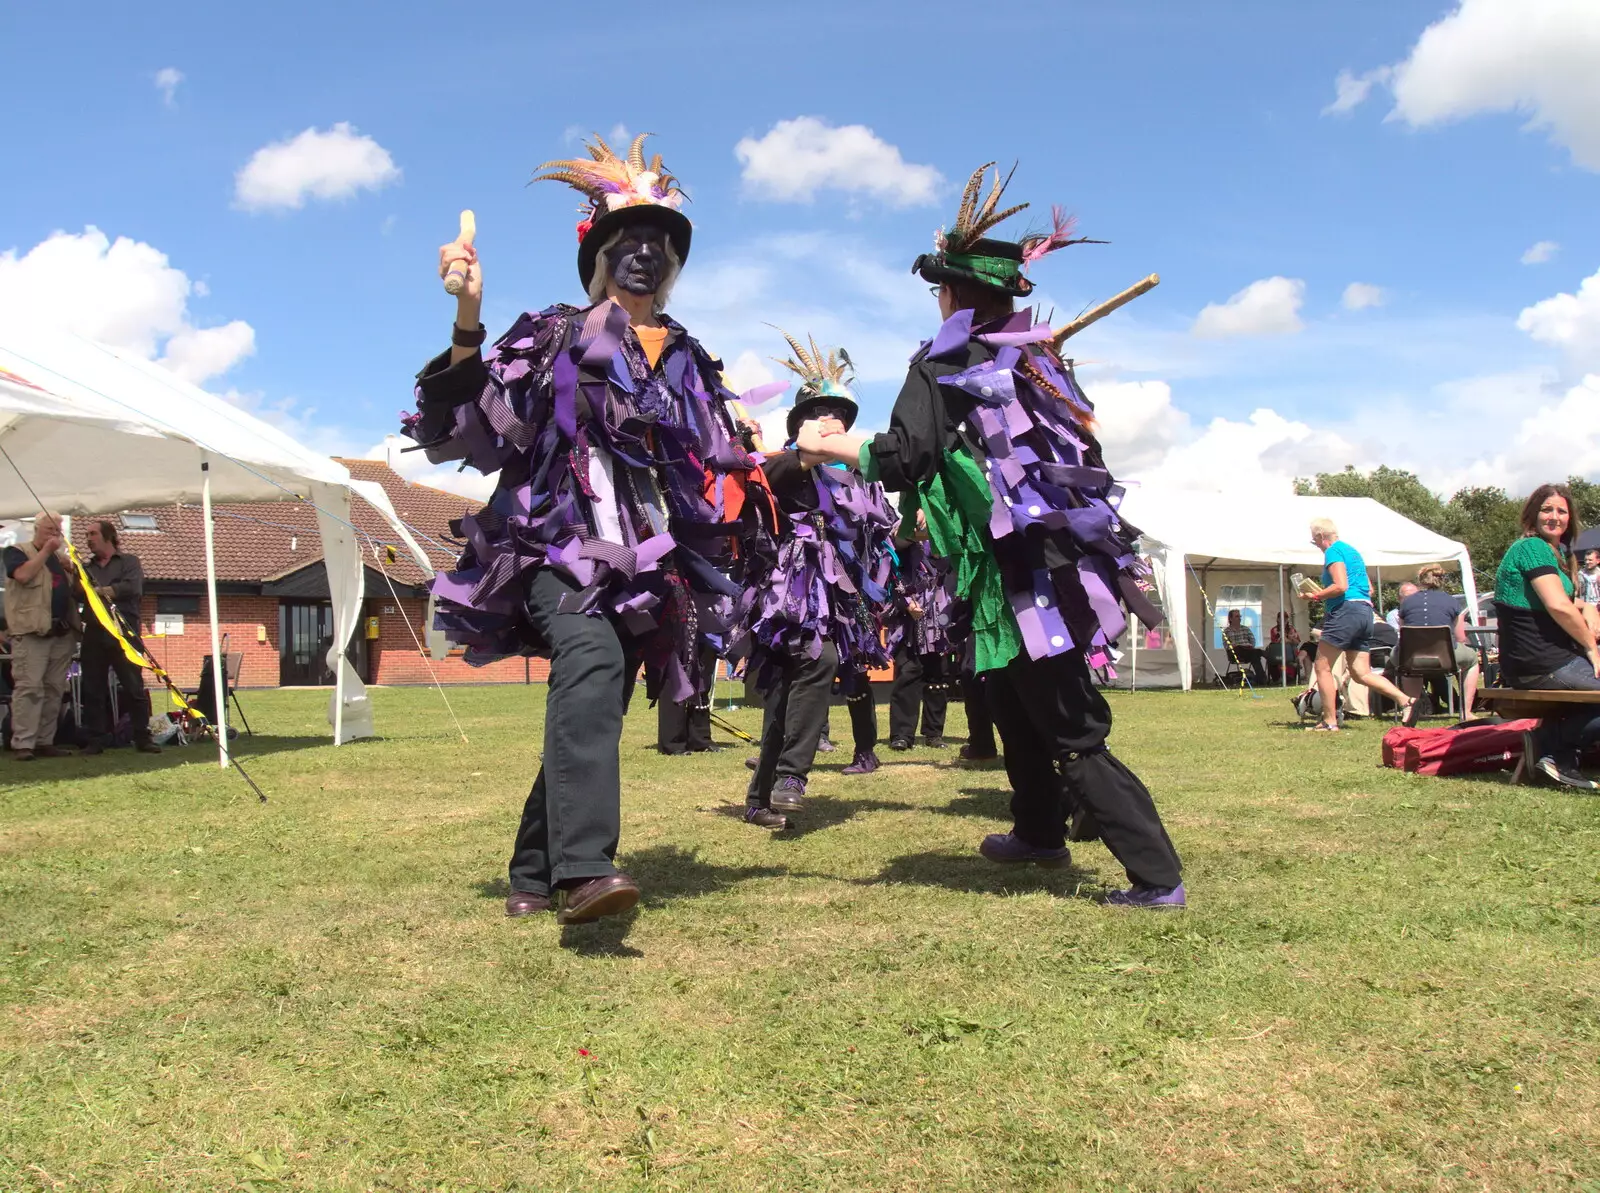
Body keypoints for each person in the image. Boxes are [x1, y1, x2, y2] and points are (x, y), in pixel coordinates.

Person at [402, 134, 778, 922]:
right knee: (590, 658)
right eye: (627, 240)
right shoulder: (556, 333)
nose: (645, 254)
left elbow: (712, 462)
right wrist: (467, 317)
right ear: (599, 254)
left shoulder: (690, 360)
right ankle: (584, 869)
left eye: (661, 244)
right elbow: (474, 425)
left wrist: (778, 462)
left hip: (641, 562)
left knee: (594, 695)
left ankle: (532, 872)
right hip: (553, 545)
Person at [800, 163, 1184, 908]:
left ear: (948, 293)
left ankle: (1156, 873)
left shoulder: (947, 357)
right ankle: (1038, 829)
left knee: (1069, 723)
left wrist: (827, 446)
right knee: (1012, 699)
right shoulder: (1036, 357)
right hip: (1037, 561)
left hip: (1027, 566)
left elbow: (905, 453)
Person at [736, 334, 895, 827]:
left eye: (839, 415)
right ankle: (791, 776)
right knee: (814, 660)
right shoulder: (783, 462)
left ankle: (760, 797)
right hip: (787, 591)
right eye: (820, 413)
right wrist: (803, 455)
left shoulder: (859, 477)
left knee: (788, 691)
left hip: (835, 598)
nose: (831, 422)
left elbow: (880, 532)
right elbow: (768, 481)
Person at [1492, 484, 1600, 789]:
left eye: (1561, 511)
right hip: (1541, 662)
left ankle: (1560, 756)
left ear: (1570, 518)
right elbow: (1557, 605)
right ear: (1532, 515)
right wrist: (1592, 647)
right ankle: (1550, 745)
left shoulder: (1555, 554)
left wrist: (1588, 606)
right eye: (1546, 509)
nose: (1554, 516)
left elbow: (1558, 598)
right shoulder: (1531, 548)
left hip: (1543, 661)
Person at [1298, 518, 1421, 732]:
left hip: (1346, 611)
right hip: (1366, 612)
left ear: (1321, 536)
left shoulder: (1333, 551)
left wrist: (1315, 595)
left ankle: (1329, 721)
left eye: (1314, 540)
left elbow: (1340, 586)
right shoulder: (1353, 552)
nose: (1316, 545)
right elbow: (1369, 590)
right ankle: (1406, 701)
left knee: (1322, 666)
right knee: (1360, 672)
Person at [2, 512, 82, 760]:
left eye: (57, 530)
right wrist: (46, 551)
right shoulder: (17, 551)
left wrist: (76, 570)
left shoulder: (61, 560)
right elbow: (23, 576)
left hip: (61, 632)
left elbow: (77, 592)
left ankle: (45, 741)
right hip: (31, 632)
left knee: (54, 688)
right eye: (49, 529)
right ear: (37, 529)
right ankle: (23, 743)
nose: (54, 535)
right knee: (29, 688)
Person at [79, 521, 161, 756]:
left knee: (133, 685)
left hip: (124, 632)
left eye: (93, 534)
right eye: (87, 535)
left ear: (109, 537)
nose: (88, 538)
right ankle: (96, 739)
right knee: (93, 687)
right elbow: (78, 594)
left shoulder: (129, 562)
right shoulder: (86, 568)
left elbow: (132, 588)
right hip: (95, 631)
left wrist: (100, 591)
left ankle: (142, 736)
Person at [885, 511, 954, 750]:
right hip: (909, 614)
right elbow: (893, 552)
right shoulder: (902, 525)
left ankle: (934, 733)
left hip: (939, 613)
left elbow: (946, 563)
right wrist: (905, 603)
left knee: (938, 675)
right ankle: (902, 734)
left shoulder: (946, 526)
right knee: (909, 672)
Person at [1394, 563, 1481, 718]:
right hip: (1444, 657)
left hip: (1412, 656)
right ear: (1441, 580)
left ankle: (1411, 708)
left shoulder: (1406, 603)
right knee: (1473, 660)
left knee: (1407, 667)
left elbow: (1403, 632)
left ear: (1420, 580)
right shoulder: (1452, 602)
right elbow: (1460, 637)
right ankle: (1466, 711)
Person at [1220, 609, 1268, 686]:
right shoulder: (1227, 631)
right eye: (1237, 616)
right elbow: (1226, 645)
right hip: (1236, 653)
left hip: (1248, 651)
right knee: (1252, 653)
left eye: (1240, 616)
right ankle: (1262, 678)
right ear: (1230, 619)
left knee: (1254, 656)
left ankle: (1261, 679)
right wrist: (1233, 646)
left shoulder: (1246, 629)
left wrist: (1249, 646)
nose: (1239, 618)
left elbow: (1252, 641)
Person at [1267, 613, 1300, 684]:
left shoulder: (1292, 629)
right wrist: (1284, 638)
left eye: (1285, 618)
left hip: (1291, 651)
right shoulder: (1274, 630)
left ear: (1287, 619)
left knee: (1287, 646)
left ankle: (1289, 672)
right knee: (1281, 651)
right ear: (1277, 619)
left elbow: (1297, 642)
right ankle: (1289, 666)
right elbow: (1275, 643)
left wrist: (1288, 639)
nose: (1284, 619)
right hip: (1279, 652)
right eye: (1281, 618)